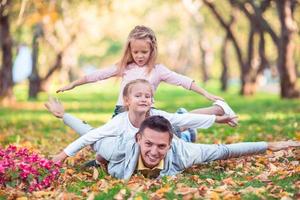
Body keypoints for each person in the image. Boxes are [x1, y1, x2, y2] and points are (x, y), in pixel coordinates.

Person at [55, 25, 237, 127]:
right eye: (136, 52)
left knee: (178, 125)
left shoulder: (158, 70)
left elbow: (183, 81)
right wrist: (73, 84)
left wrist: (207, 94)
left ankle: (216, 109)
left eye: (144, 51)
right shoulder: (124, 67)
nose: (140, 56)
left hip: (147, 113)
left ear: (152, 50)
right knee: (110, 139)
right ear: (130, 50)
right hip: (122, 113)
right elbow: (96, 75)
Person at [49, 112, 299, 179]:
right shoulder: (117, 148)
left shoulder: (185, 154)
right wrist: (64, 116)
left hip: (184, 141)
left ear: (169, 145)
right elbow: (90, 134)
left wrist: (270, 145)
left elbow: (226, 151)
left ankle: (185, 129)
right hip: (129, 143)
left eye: (161, 146)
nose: (153, 152)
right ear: (138, 138)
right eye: (148, 144)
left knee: (190, 137)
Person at [46, 79, 237, 167]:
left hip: (166, 137)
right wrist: (62, 155)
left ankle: (213, 111)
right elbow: (89, 135)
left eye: (148, 96)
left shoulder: (155, 114)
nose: (144, 99)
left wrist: (216, 119)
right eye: (138, 95)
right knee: (182, 132)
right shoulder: (120, 122)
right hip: (154, 142)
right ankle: (188, 135)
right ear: (127, 101)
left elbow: (183, 120)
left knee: (180, 124)